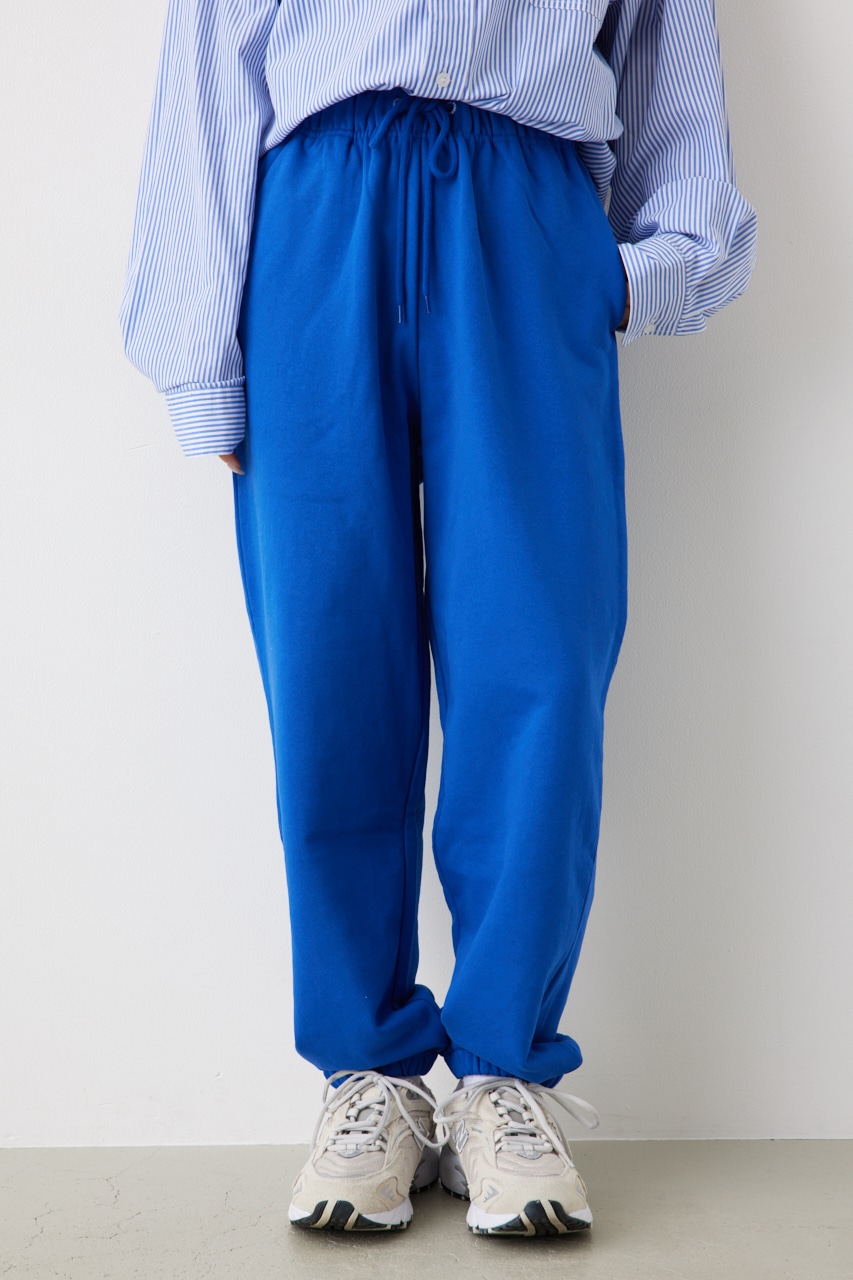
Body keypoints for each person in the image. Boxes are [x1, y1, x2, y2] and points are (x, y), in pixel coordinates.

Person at [119, 0, 757, 1240]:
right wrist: (201, 358)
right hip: (317, 216)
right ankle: (367, 1075)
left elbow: (665, 60)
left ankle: (505, 1072)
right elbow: (210, 62)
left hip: (528, 215)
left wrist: (639, 267)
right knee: (329, 661)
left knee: (540, 660)